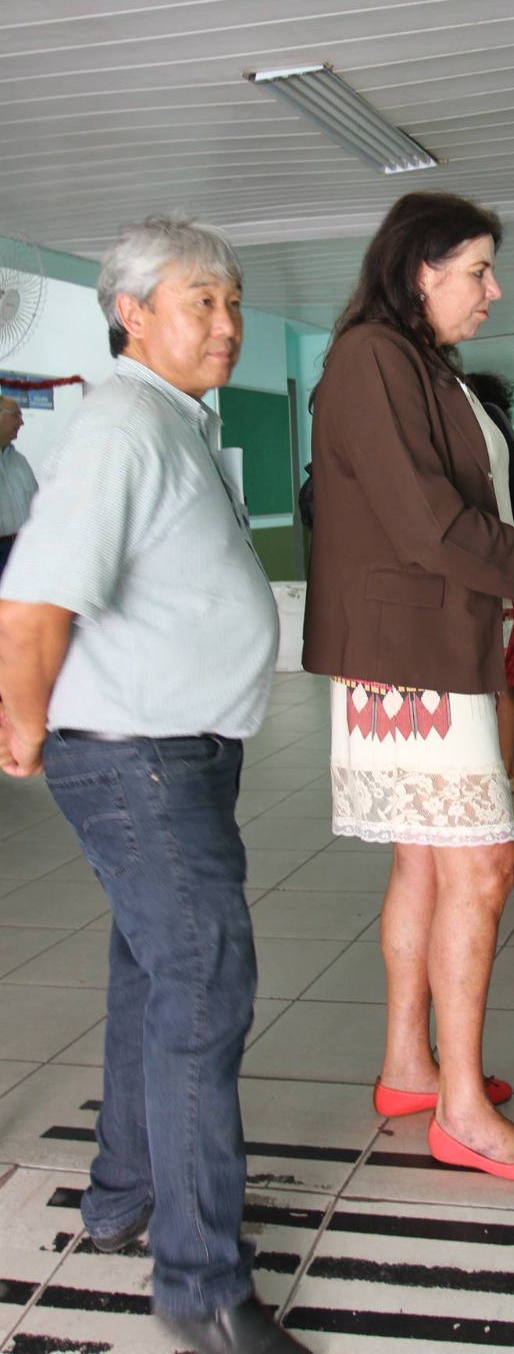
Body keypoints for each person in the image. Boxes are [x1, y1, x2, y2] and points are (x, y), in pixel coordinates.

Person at [0, 218, 305, 1354]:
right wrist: (23, 722)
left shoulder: (171, 418)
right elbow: (34, 596)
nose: (226, 326)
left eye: (232, 303)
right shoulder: (125, 421)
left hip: (175, 747)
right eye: (202, 304)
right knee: (203, 987)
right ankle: (203, 1289)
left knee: (152, 973)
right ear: (134, 312)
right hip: (137, 753)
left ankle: (129, 1191)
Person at [303, 191, 514, 1182]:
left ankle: (409, 1068)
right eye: (477, 270)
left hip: (424, 648)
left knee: (427, 859)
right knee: (480, 863)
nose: (492, 291)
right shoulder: (374, 357)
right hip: (410, 656)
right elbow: (424, 520)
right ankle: (458, 1111)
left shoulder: (419, 366)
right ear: (421, 269)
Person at [463, 370, 514, 794]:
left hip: (482, 576)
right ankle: (508, 770)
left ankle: (499, 770)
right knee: (503, 685)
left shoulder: (475, 444)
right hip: (506, 575)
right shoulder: (504, 446)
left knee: (487, 685)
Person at [0, 396, 38, 577]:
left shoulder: (19, 461)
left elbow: (37, 502)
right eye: (16, 415)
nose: (22, 422)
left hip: (25, 549)